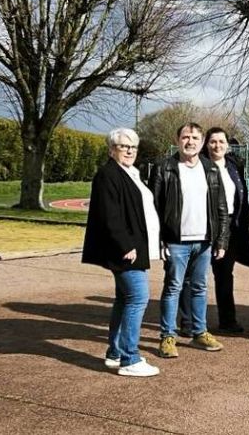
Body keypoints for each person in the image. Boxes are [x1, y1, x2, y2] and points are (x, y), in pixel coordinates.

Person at [81, 128, 161, 377]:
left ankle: (115, 353)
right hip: (126, 251)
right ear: (111, 149)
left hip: (134, 248)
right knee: (138, 298)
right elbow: (109, 216)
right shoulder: (108, 175)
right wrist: (125, 245)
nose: (129, 151)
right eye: (123, 146)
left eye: (133, 147)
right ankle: (130, 358)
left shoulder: (129, 173)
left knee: (124, 299)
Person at [150, 122, 230, 359]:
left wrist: (221, 241)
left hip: (204, 241)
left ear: (202, 142)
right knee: (173, 287)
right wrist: (160, 240)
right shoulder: (165, 168)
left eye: (195, 137)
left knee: (199, 288)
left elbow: (221, 208)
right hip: (176, 241)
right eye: (186, 137)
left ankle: (199, 332)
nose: (190, 141)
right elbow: (154, 207)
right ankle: (167, 336)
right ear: (178, 140)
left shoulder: (211, 169)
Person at [201, 127, 249, 334]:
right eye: (213, 141)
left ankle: (227, 319)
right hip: (207, 225)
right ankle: (189, 320)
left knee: (224, 274)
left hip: (232, 225)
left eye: (221, 141)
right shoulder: (201, 165)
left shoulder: (233, 165)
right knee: (195, 275)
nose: (217, 145)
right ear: (207, 144)